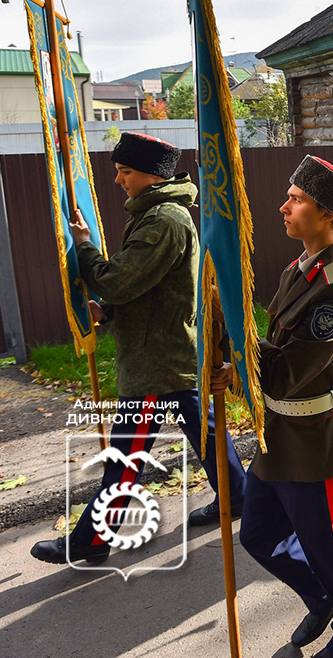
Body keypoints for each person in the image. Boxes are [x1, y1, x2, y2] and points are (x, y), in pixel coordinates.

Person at [31, 132, 246, 565]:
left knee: (125, 456)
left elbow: (118, 279)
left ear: (150, 174)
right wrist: (108, 311)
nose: (118, 180)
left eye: (124, 171)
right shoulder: (158, 214)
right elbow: (149, 288)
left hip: (157, 362)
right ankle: (241, 498)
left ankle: (92, 540)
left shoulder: (164, 219)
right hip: (169, 354)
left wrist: (86, 247)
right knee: (206, 437)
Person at [215, 155, 333, 658]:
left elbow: (282, 376)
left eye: (297, 199)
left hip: (314, 444)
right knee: (259, 537)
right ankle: (323, 597)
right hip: (278, 437)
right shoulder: (298, 269)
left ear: (327, 215)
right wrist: (231, 343)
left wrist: (234, 338)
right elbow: (274, 352)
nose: (284, 207)